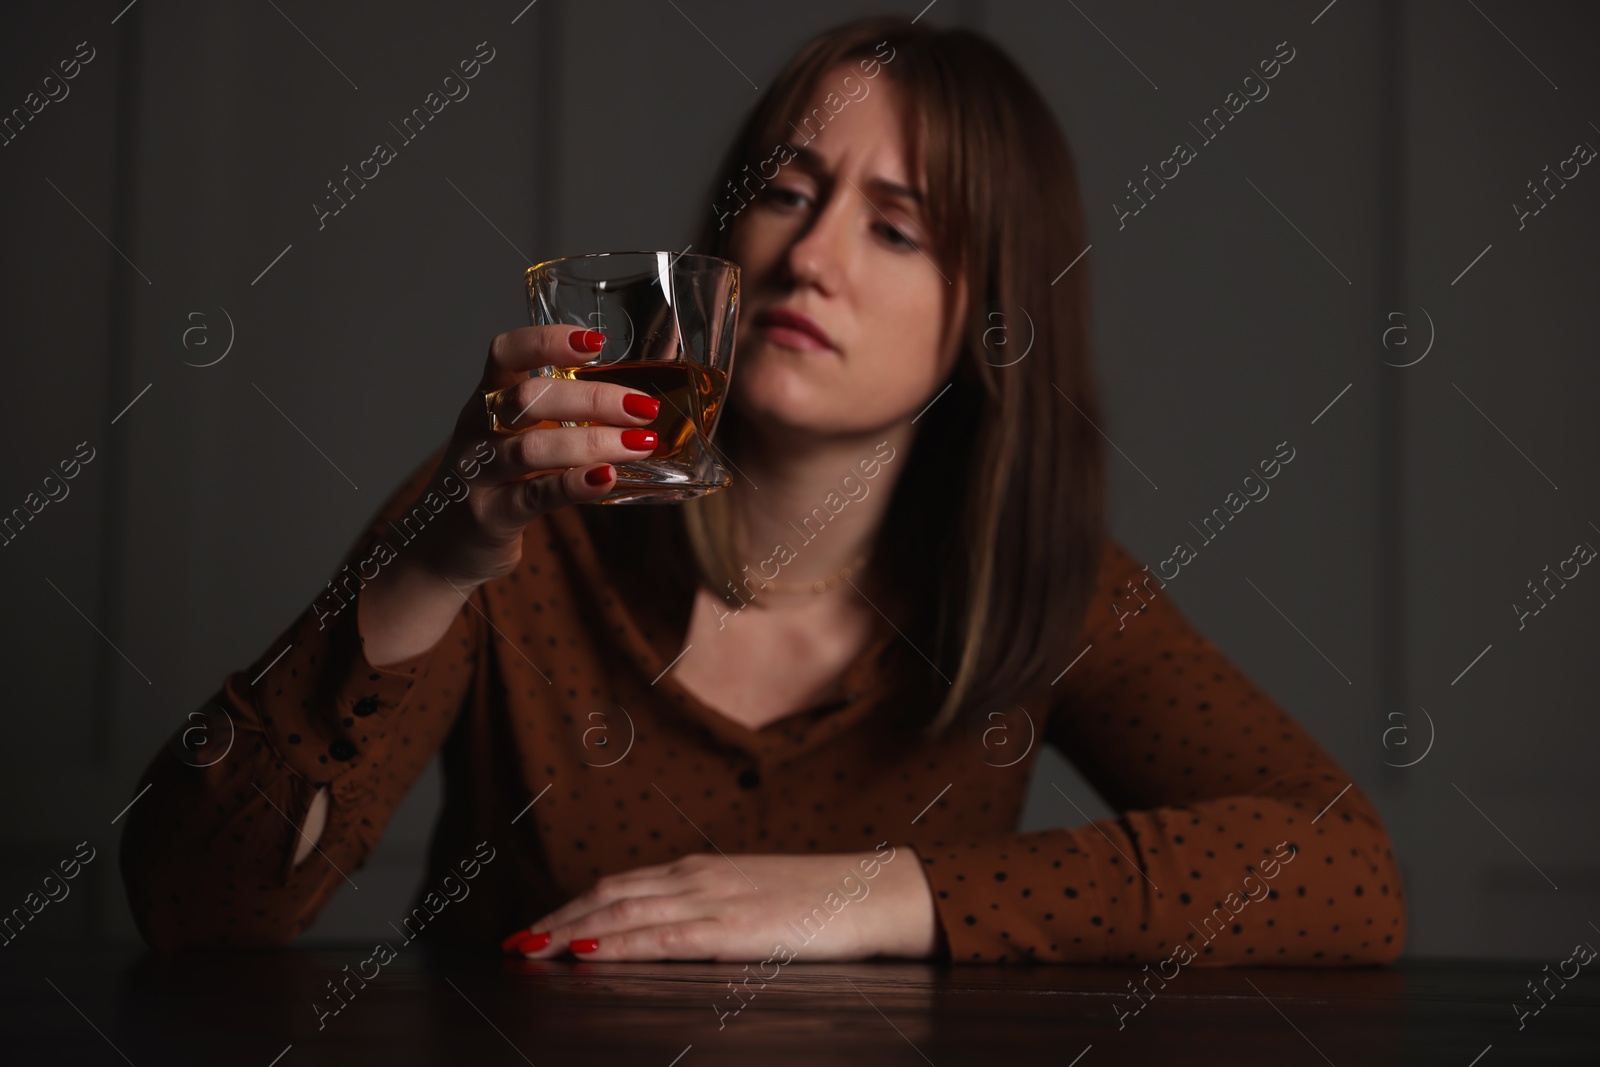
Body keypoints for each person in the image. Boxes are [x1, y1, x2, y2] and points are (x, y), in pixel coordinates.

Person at [120, 14, 1405, 966]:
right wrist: (429, 563)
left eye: (895, 228)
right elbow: (196, 913)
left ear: (990, 324)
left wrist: (881, 894)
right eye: (785, 194)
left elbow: (1347, 874)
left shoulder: (1038, 585)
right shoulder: (516, 514)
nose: (810, 254)